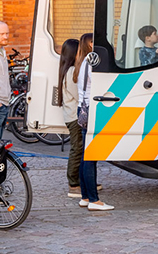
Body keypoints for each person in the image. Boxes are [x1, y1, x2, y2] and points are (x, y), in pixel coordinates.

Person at [76, 33, 114, 211]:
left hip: (83, 109)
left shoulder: (83, 61)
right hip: (91, 110)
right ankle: (94, 199)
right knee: (91, 157)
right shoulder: (92, 62)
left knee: (86, 156)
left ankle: (85, 196)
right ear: (91, 44)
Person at [58, 39, 83, 198]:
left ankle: (80, 180)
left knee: (78, 148)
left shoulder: (65, 70)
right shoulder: (71, 72)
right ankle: (73, 184)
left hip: (71, 115)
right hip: (74, 117)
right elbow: (78, 95)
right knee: (77, 149)